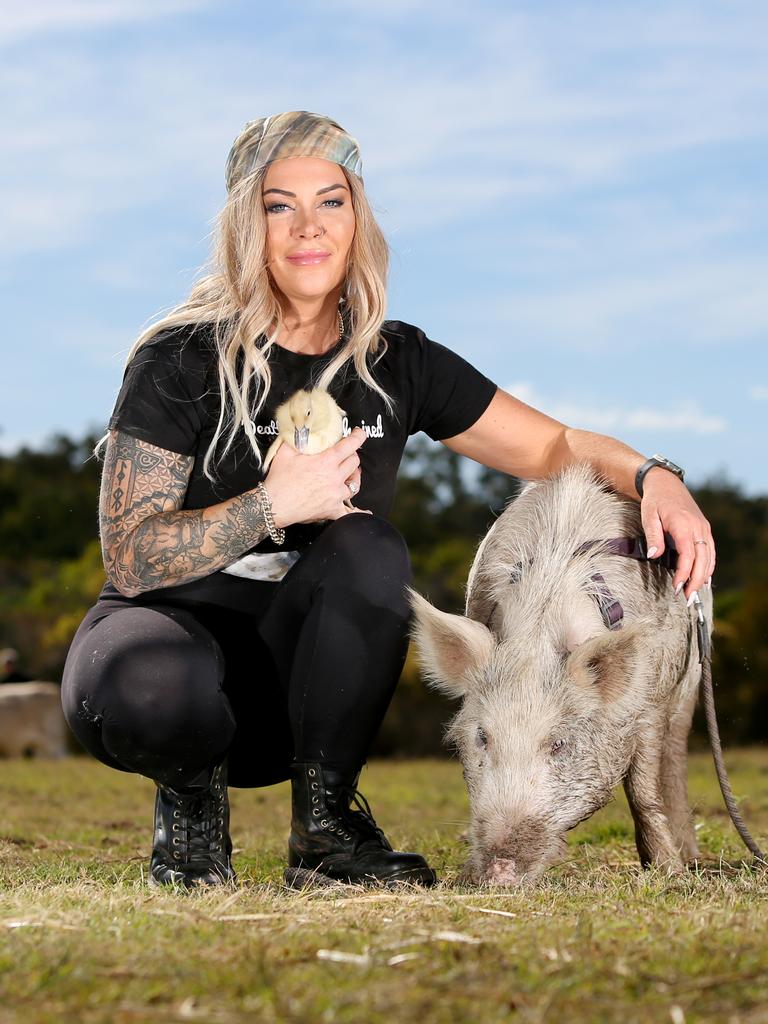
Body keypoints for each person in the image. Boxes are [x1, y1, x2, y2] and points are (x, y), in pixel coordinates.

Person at [61, 111, 716, 891]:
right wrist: (271, 505)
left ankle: (328, 825)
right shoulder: (178, 358)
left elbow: (554, 449)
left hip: (297, 692)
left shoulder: (394, 359)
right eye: (279, 205)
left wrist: (656, 478)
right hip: (167, 656)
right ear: (244, 221)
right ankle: (191, 820)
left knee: (372, 548)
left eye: (330, 201)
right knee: (152, 681)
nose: (309, 227)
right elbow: (130, 556)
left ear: (357, 215)